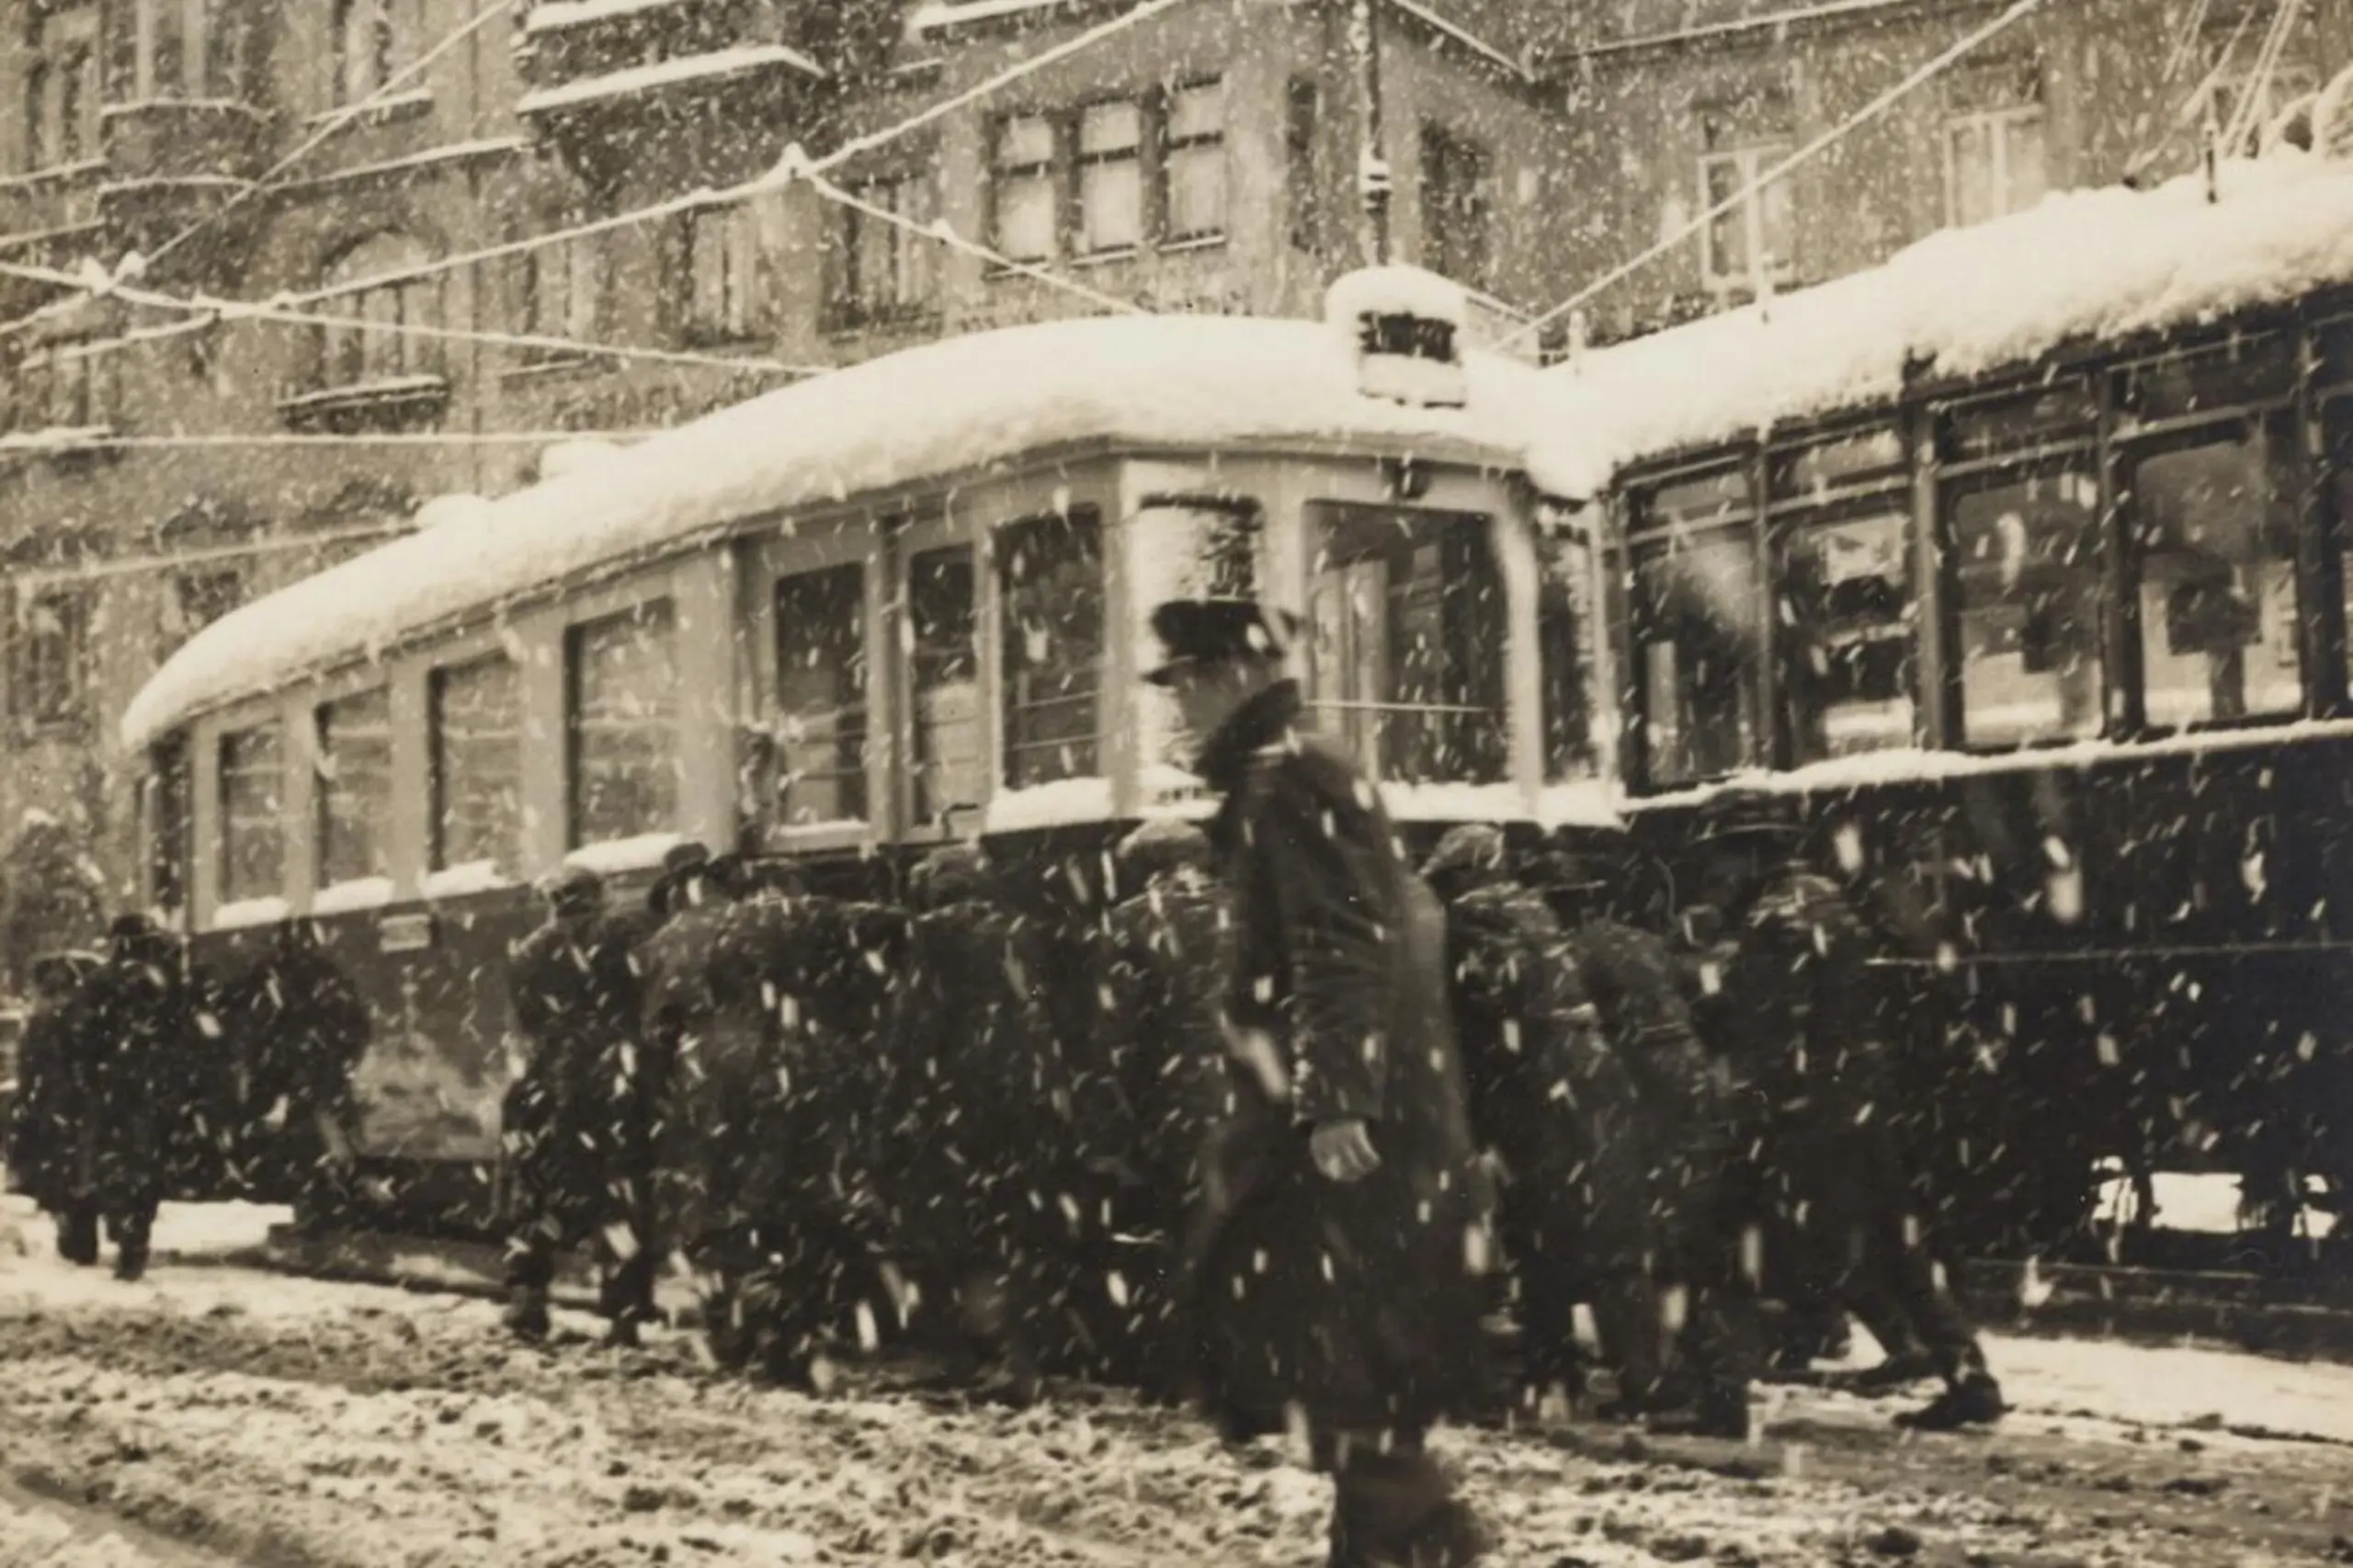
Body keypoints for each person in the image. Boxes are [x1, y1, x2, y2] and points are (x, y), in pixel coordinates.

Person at [1146, 597, 1493, 1568]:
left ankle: (1428, 1546)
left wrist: (1338, 1095)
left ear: (1227, 675)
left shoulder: (1295, 773)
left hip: (1343, 1136)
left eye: (1182, 683)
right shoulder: (1295, 767)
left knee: (1348, 1370)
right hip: (1346, 1123)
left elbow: (1340, 938)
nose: (1179, 707)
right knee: (1341, 1366)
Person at [1696, 789, 2004, 1431]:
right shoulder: (1827, 901)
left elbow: (1767, 1030)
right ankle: (1968, 1375)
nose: (1718, 873)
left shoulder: (1770, 923)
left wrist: (1750, 1107)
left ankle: (1720, 1402)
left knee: (1721, 1244)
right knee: (1898, 1244)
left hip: (1803, 1111)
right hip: (1860, 1097)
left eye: (1724, 856)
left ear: (1751, 853)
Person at [1421, 824, 1660, 1423]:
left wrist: (1472, 1107)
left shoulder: (1475, 917)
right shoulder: (1537, 914)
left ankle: (1559, 1374)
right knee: (1600, 1234)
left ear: (1469, 874)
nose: (1447, 893)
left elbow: (1477, 1015)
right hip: (1587, 1081)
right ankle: (1634, 1377)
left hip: (1533, 1087)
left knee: (1539, 1235)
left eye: (1450, 880)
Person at [1539, 831, 1759, 1438]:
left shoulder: (1569, 955)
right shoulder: (1639, 941)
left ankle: (1676, 1389)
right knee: (1687, 1239)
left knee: (1640, 1245)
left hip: (1641, 1090)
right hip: (1693, 1084)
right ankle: (1720, 1385)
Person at [1086, 818, 1233, 1397]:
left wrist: (1109, 1131)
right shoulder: (1246, 912)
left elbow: (1113, 1032)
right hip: (1250, 1093)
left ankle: (1180, 1370)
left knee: (1179, 1232)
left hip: (1177, 1098)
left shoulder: (1130, 922)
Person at [501, 864, 657, 1346]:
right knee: (620, 1195)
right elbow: (644, 1000)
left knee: (538, 1189)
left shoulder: (528, 952)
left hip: (547, 1080)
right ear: (598, 896)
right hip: (613, 1078)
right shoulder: (624, 938)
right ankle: (623, 1314)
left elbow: (526, 1023)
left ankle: (528, 1296)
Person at [228, 917, 372, 1239]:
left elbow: (256, 1026)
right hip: (325, 1073)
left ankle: (318, 1209)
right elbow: (356, 1024)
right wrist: (340, 1058)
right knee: (334, 1136)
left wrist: (267, 1071)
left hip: (298, 1074)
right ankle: (338, 1201)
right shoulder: (329, 977)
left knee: (306, 1143)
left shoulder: (270, 978)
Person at [66, 915, 190, 1281]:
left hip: (110, 1090)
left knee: (109, 1161)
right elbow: (181, 1035)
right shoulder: (164, 983)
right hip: (150, 1089)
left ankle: (119, 1220)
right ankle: (135, 1235)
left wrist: (88, 1079)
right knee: (145, 1165)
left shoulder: (99, 983)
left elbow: (81, 1037)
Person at [6, 950, 102, 1262]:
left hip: (59, 1104)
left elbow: (29, 1068)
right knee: (81, 1170)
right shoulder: (95, 1017)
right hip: (87, 1102)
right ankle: (79, 1221)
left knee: (65, 1170)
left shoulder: (43, 1022)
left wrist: (29, 1101)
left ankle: (73, 1225)